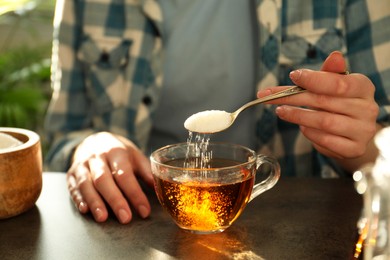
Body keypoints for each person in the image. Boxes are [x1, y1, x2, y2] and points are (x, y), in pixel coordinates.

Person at [44, 0, 390, 224]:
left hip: (309, 227)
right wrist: (89, 146)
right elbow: (63, 137)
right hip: (139, 221)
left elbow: (380, 145)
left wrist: (362, 144)